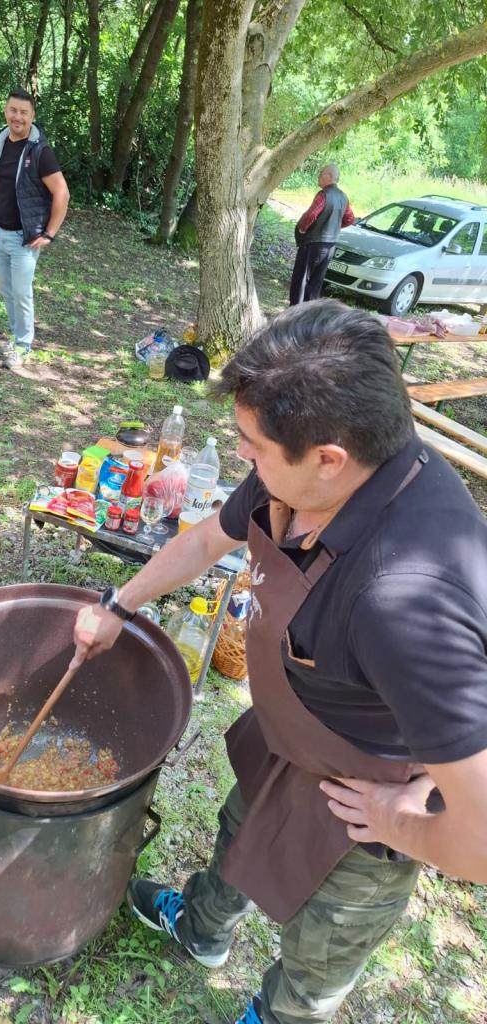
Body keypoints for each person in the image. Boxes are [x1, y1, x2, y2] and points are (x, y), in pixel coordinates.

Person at [73, 300, 487, 1024]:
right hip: (291, 732)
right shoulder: (301, 474)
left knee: (318, 957)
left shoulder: (404, 598)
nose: (243, 458)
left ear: (330, 457)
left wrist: (403, 822)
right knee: (239, 838)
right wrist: (119, 604)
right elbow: (207, 540)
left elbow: (481, 840)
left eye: (252, 446)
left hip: (365, 797)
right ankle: (201, 928)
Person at [0, 88, 70, 370]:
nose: (17, 117)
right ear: (5, 111)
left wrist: (49, 233)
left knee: (22, 293)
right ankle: (16, 337)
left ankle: (23, 346)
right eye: (13, 110)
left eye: (23, 112)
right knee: (7, 290)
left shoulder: (40, 151)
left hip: (24, 238)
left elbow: (62, 193)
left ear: (32, 116)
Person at [289, 164, 355, 305]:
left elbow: (310, 215)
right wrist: (334, 225)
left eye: (321, 173)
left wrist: (302, 230)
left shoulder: (323, 195)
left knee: (301, 280)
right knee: (315, 283)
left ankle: (294, 312)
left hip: (313, 244)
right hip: (330, 246)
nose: (318, 176)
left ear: (329, 176)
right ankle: (309, 313)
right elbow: (350, 219)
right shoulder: (344, 197)